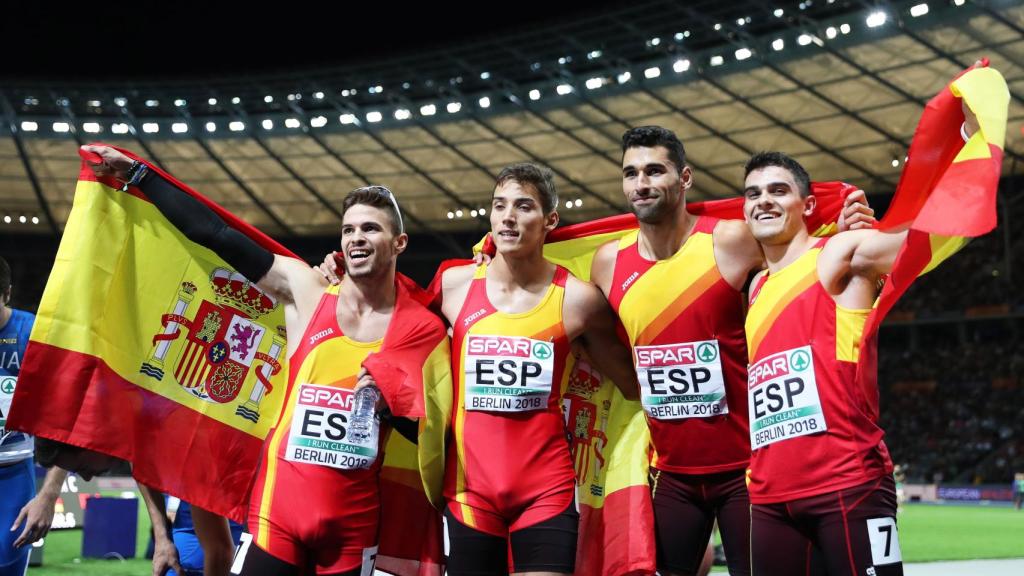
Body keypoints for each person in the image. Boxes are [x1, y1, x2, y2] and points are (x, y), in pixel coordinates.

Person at [81, 144, 448, 576]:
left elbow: (433, 435)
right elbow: (217, 236)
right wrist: (141, 175)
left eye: (371, 229)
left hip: (354, 524)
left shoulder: (422, 330)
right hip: (279, 512)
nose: (356, 238)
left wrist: (389, 405)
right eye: (348, 230)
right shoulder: (308, 292)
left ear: (399, 242)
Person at [587, 127, 873, 576]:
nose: (641, 183)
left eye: (654, 171)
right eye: (631, 173)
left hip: (748, 467)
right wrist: (494, 265)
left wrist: (840, 232)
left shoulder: (732, 240)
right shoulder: (607, 263)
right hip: (670, 472)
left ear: (684, 178)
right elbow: (584, 328)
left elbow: (794, 254)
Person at [740, 91, 979, 575]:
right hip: (769, 497)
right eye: (752, 193)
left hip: (847, 484)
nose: (763, 200)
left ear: (807, 205)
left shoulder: (838, 253)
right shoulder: (756, 286)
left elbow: (929, 240)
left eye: (778, 190)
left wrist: (972, 151)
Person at [435, 163, 638, 575]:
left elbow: (631, 384)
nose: (508, 217)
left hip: (546, 489)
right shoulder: (454, 286)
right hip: (468, 492)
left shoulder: (578, 300)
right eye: (499, 206)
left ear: (550, 220)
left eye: (523, 206)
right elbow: (393, 323)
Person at [1, 257, 71, 574]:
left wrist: (49, 494)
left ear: (7, 294)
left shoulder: (34, 335)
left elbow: (67, 418)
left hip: (13, 475)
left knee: (6, 562)